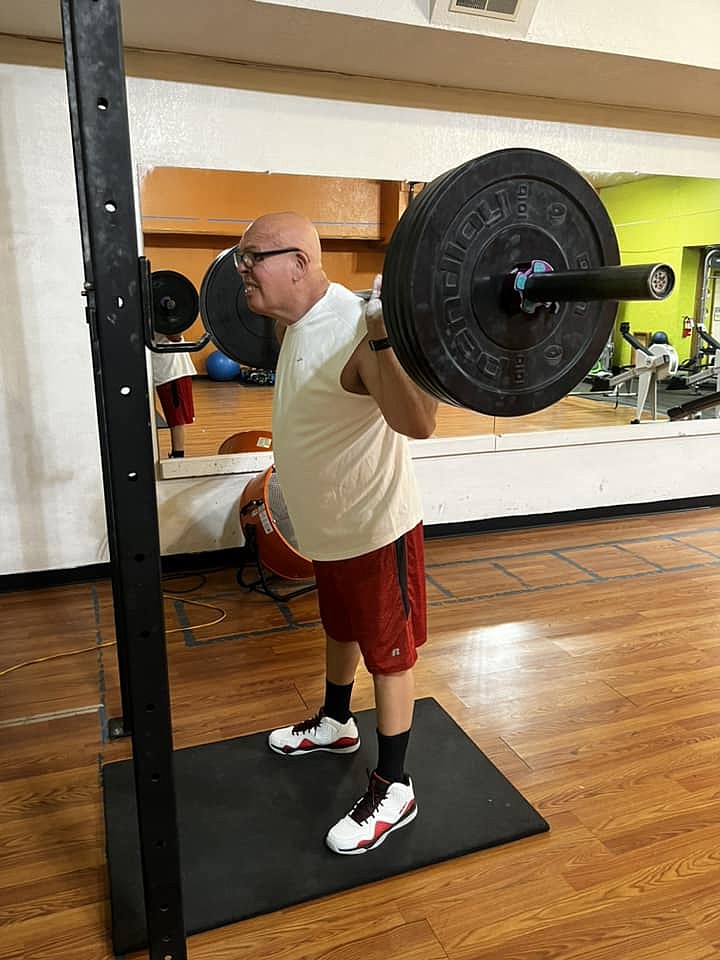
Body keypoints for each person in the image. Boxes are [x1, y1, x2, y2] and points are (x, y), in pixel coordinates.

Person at [233, 212, 438, 855]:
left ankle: (395, 784)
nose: (241, 273)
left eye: (251, 259)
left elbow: (420, 421)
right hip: (329, 525)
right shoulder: (295, 322)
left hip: (374, 524)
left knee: (389, 652)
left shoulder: (357, 327)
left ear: (299, 262)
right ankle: (335, 721)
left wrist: (382, 336)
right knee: (338, 624)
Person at [150, 333, 197, 458]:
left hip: (173, 368)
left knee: (176, 417)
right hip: (157, 363)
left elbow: (174, 336)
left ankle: (178, 456)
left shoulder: (163, 314)